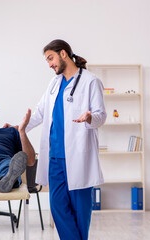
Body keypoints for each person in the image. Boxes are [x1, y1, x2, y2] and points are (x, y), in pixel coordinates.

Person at [6, 40, 107, 239]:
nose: (50, 64)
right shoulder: (54, 83)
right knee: (57, 207)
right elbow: (40, 113)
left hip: (79, 157)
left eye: (50, 58)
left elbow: (101, 116)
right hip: (54, 157)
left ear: (63, 54)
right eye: (47, 61)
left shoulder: (90, 81)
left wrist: (89, 117)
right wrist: (20, 127)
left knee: (80, 212)